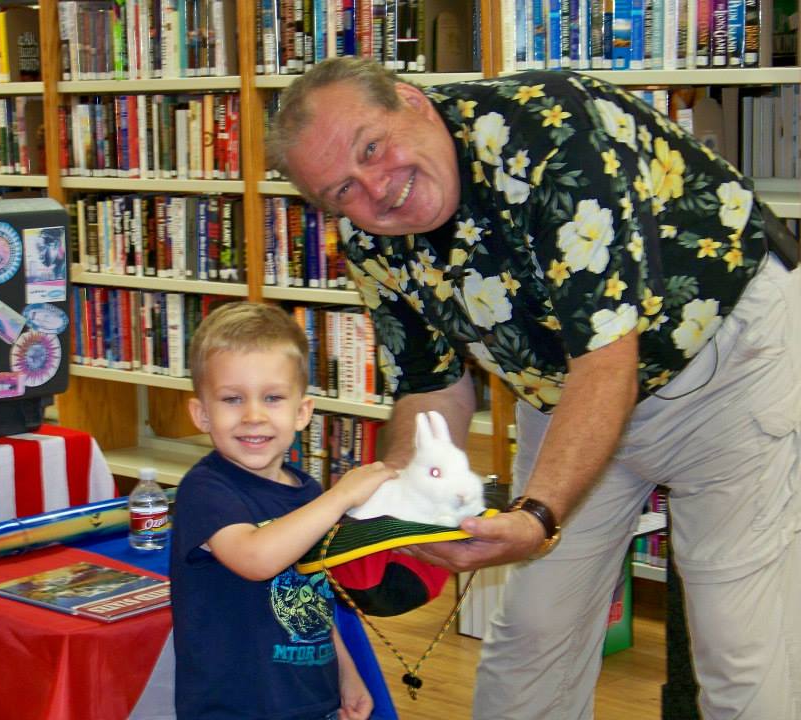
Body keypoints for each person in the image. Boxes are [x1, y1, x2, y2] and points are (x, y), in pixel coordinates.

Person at [266, 57, 801, 720]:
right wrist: (408, 504)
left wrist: (538, 516)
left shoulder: (547, 130)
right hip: (569, 390)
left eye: (372, 147)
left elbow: (609, 360)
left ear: (412, 99)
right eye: (341, 190)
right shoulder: (372, 240)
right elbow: (431, 383)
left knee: (738, 643)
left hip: (727, 360)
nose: (376, 190)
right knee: (535, 632)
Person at [170, 301, 397, 720]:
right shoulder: (205, 490)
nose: (253, 416)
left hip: (314, 700)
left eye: (273, 398)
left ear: (302, 412)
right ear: (202, 414)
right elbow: (255, 558)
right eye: (232, 399)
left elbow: (316, 596)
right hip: (235, 708)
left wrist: (346, 673)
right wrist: (339, 497)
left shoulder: (307, 492)